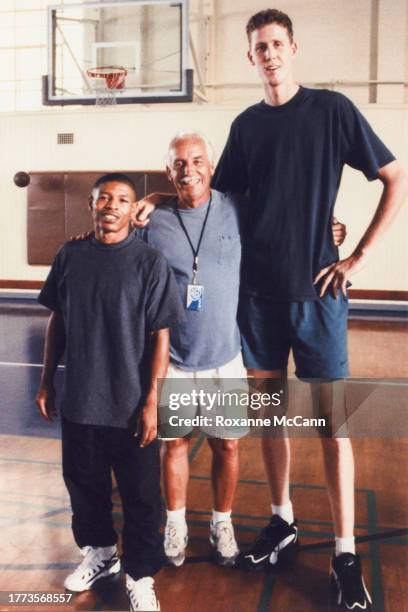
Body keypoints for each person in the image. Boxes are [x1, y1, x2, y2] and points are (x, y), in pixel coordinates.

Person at [210, 8, 407, 611]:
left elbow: (394, 178)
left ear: (292, 48)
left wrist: (359, 255)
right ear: (250, 58)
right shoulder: (245, 127)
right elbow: (223, 203)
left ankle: (344, 553)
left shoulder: (332, 111)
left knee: (332, 428)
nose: (268, 54)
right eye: (258, 47)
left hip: (319, 297)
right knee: (270, 418)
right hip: (258, 298)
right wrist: (164, 196)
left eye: (276, 43)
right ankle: (282, 519)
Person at [135, 132, 346, 569]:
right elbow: (121, 255)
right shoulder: (152, 221)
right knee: (174, 446)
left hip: (226, 353)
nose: (188, 170)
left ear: (212, 167)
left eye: (196, 160)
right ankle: (175, 522)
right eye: (178, 164)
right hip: (173, 357)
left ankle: (221, 522)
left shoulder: (238, 209)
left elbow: (288, 225)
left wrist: (330, 227)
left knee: (227, 448)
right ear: (167, 171)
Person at [36, 173, 184, 612]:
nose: (112, 205)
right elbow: (56, 319)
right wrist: (46, 379)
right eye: (104, 198)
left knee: (141, 496)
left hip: (131, 405)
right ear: (91, 204)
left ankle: (140, 574)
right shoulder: (70, 255)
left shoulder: (148, 261)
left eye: (122, 199)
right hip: (83, 400)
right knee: (84, 487)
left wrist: (152, 401)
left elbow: (161, 335)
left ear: (132, 209)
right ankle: (101, 554)